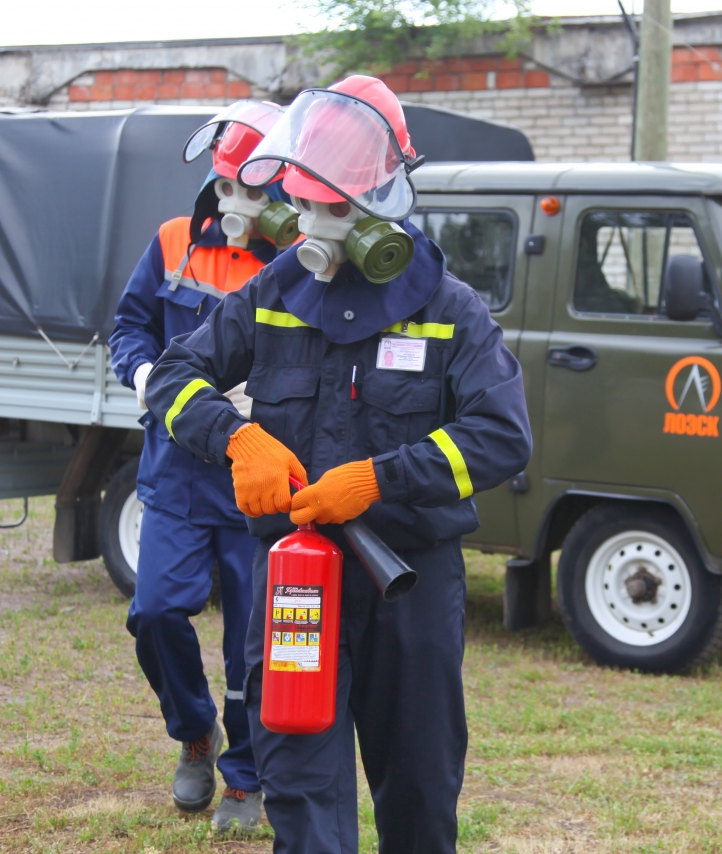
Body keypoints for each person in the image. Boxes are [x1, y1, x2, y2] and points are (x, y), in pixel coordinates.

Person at [144, 75, 532, 853]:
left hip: (407, 588)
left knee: (419, 792)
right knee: (299, 787)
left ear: (383, 203)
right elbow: (173, 378)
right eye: (307, 204)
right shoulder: (275, 290)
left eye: (335, 207)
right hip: (296, 585)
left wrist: (380, 478)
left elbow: (501, 435)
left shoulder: (449, 309)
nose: (315, 226)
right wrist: (235, 437)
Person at [109, 100, 296, 832]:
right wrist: (147, 375)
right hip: (179, 472)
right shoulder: (173, 240)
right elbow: (129, 324)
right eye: (226, 187)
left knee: (254, 645)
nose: (236, 204)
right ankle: (193, 731)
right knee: (154, 612)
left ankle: (246, 779)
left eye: (250, 189)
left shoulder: (302, 261)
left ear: (282, 186)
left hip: (260, 482)